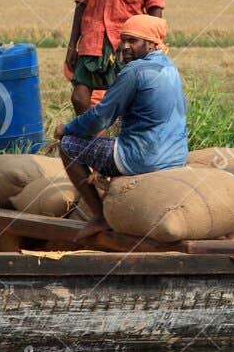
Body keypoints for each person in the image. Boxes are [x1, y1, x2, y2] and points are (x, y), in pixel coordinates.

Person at [54, 14, 187, 238]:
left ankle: (99, 216)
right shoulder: (170, 67)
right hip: (176, 156)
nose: (124, 47)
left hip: (142, 157)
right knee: (117, 139)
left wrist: (66, 129)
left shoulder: (134, 72)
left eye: (133, 41)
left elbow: (99, 118)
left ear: (152, 43)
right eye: (123, 40)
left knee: (68, 146)